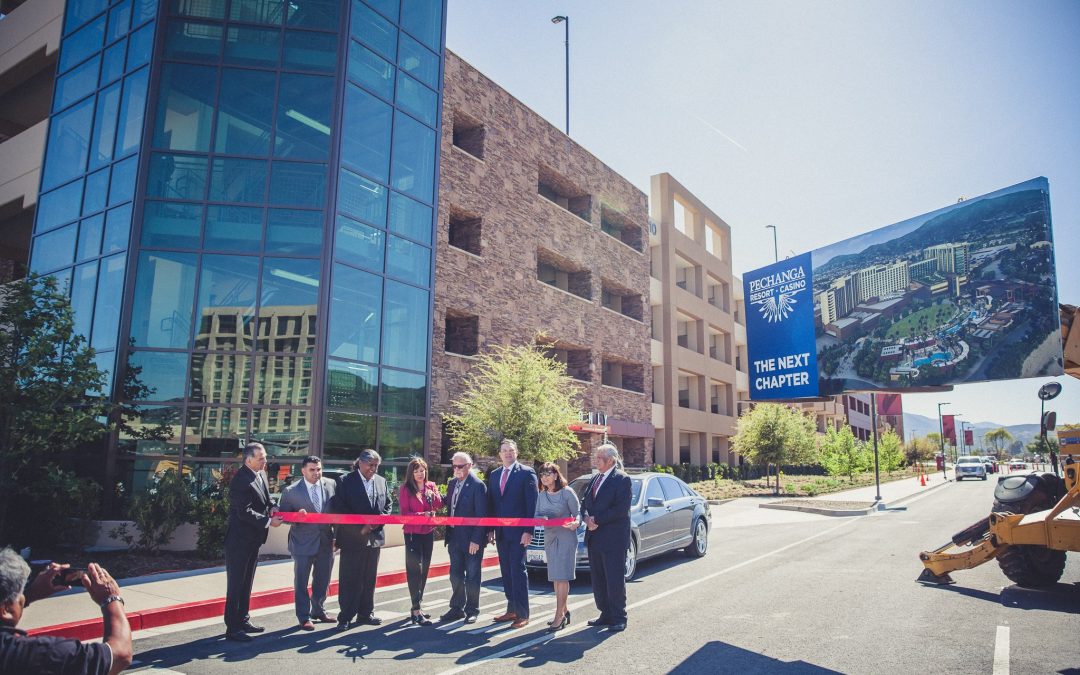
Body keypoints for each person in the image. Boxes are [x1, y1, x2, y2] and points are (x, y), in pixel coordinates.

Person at [0, 549, 132, 674]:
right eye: (20, 594)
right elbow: (120, 654)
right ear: (6, 609)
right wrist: (111, 599)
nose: (22, 597)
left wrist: (30, 594)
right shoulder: (42, 655)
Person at [224, 442, 282, 642]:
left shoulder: (261, 474)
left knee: (247, 582)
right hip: (239, 541)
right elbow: (244, 511)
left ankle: (243, 619)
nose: (265, 461)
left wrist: (273, 507)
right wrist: (268, 521)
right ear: (248, 459)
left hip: (254, 539)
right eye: (261, 458)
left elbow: (267, 499)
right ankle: (232, 628)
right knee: (236, 584)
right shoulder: (241, 480)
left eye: (265, 457)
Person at [332, 449, 392, 629]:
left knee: (369, 578)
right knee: (350, 578)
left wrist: (375, 524)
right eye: (370, 465)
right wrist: (360, 527)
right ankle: (345, 616)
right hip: (352, 539)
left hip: (375, 538)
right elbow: (340, 508)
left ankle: (365, 613)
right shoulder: (345, 481)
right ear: (360, 463)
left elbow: (387, 505)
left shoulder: (381, 482)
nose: (373, 469)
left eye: (376, 466)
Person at [277, 455, 337, 631]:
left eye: (319, 469)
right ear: (303, 471)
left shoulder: (331, 485)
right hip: (302, 542)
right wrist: (297, 516)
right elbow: (283, 517)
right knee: (301, 581)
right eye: (312, 470)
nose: (316, 473)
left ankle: (318, 610)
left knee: (323, 579)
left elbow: (336, 511)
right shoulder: (291, 491)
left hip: (326, 542)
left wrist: (337, 537)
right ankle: (303, 617)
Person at [487, 438, 538, 629]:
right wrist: (490, 528)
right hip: (500, 532)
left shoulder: (526, 473)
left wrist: (528, 530)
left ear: (516, 452)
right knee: (506, 571)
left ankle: (523, 613)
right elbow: (492, 503)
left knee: (518, 570)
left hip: (519, 533)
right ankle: (512, 609)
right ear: (499, 454)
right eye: (504, 450)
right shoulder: (494, 474)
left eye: (511, 450)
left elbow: (531, 504)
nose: (508, 453)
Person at [581, 442, 631, 632]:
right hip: (594, 538)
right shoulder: (595, 479)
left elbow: (621, 509)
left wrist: (597, 520)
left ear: (610, 460)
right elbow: (584, 502)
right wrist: (585, 517)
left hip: (613, 540)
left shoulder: (622, 479)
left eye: (599, 458)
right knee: (599, 579)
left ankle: (619, 617)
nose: (596, 460)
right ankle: (605, 613)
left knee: (614, 579)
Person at [441, 451, 487, 624]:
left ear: (469, 466)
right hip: (454, 537)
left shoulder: (478, 485)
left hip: (471, 540)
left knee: (472, 576)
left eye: (460, 466)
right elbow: (449, 502)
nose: (457, 469)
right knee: (455, 575)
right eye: (454, 466)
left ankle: (472, 610)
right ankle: (456, 608)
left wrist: (476, 539)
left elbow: (482, 515)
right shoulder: (452, 483)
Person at [534, 462, 580, 632]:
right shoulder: (541, 495)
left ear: (555, 475)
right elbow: (536, 515)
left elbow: (578, 513)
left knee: (562, 577)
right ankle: (565, 610)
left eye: (548, 473)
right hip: (550, 537)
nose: (544, 477)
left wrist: (576, 522)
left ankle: (558, 616)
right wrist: (541, 519)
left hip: (566, 537)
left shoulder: (567, 492)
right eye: (542, 474)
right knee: (555, 577)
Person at [398, 456, 443, 626]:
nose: (420, 474)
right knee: (414, 570)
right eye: (416, 471)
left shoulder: (431, 486)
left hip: (428, 532)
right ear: (411, 473)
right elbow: (404, 514)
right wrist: (421, 515)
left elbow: (438, 505)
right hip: (412, 533)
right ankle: (415, 610)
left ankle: (418, 605)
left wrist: (434, 495)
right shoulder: (405, 489)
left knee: (425, 569)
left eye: (422, 470)